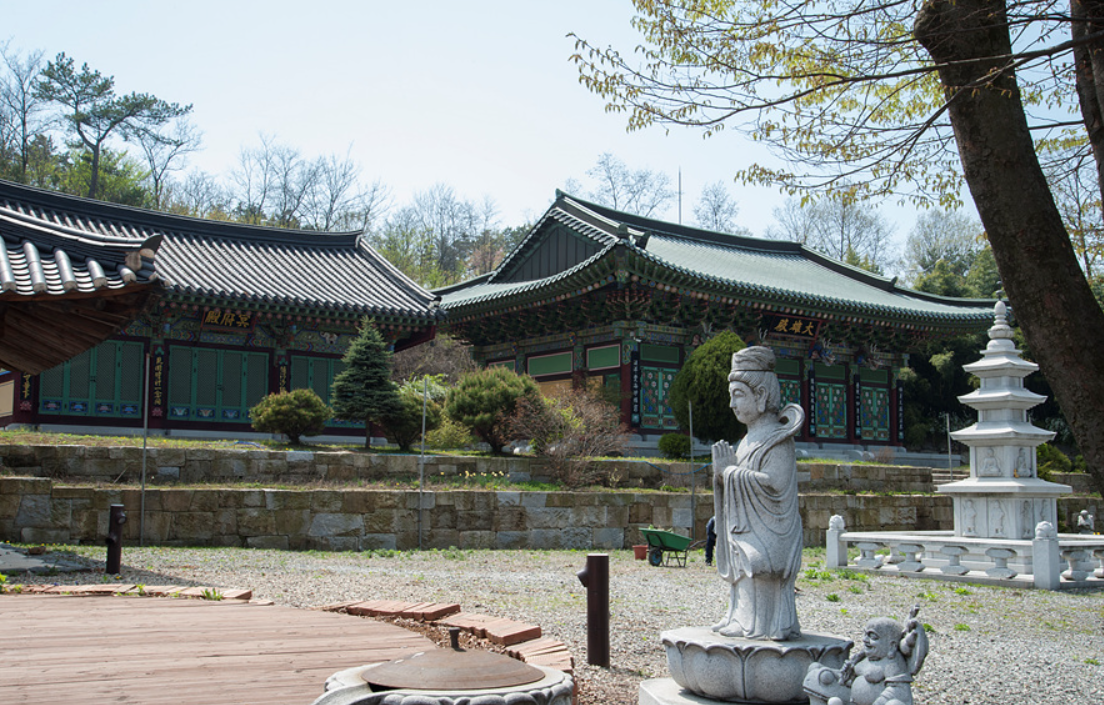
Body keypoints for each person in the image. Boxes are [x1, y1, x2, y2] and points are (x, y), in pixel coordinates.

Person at [711, 346, 805, 641]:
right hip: (745, 528)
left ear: (761, 395)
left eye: (738, 395)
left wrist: (729, 472)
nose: (732, 404)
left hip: (769, 533)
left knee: (757, 570)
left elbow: (774, 485)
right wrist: (721, 475)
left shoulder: (778, 439)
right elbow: (738, 480)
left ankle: (762, 624)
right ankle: (741, 617)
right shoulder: (747, 440)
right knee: (741, 572)